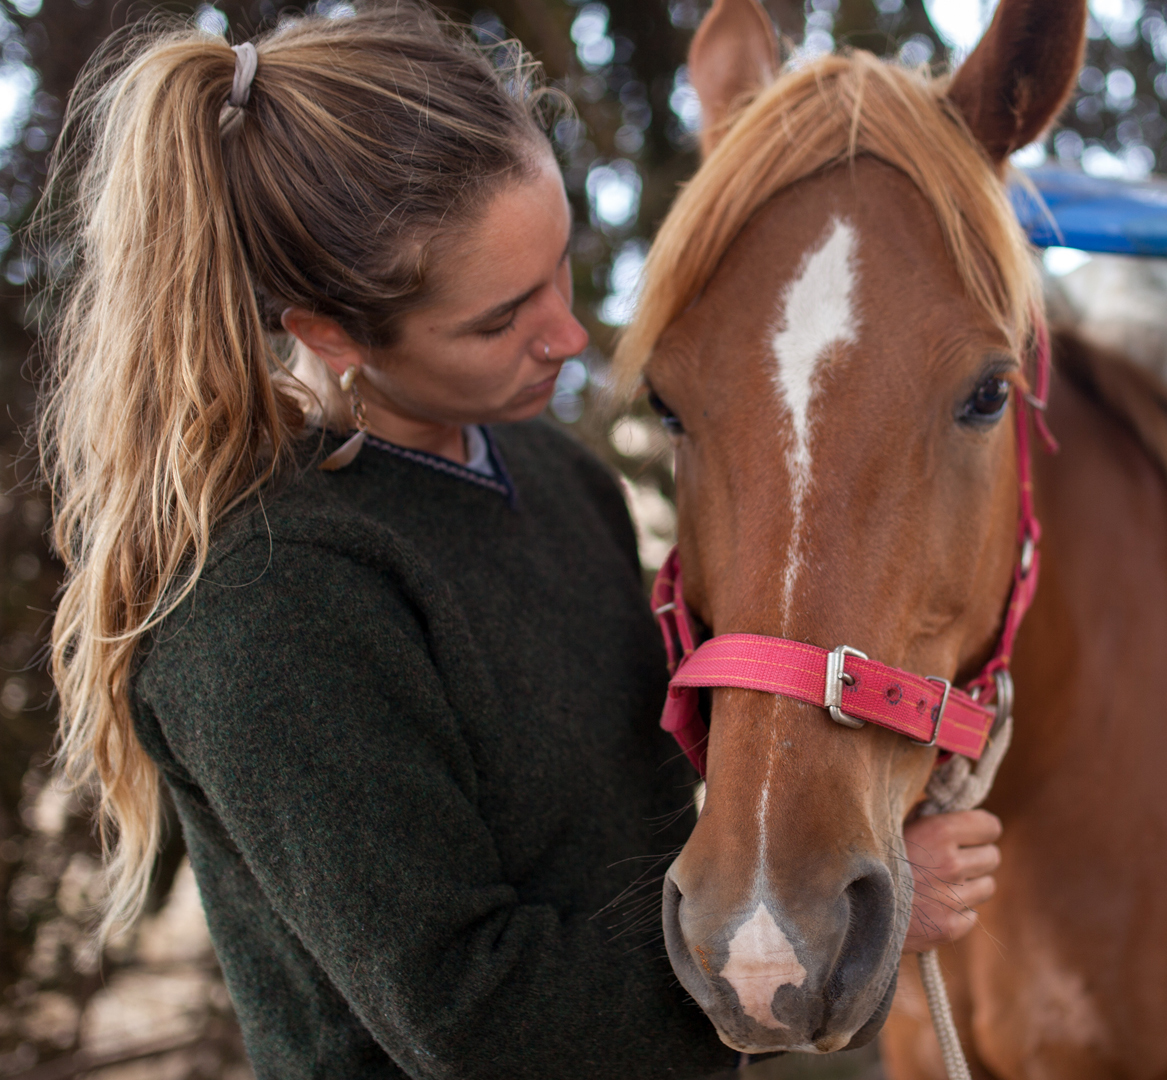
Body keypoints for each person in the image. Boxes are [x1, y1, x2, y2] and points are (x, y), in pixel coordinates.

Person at [38, 6, 999, 1076]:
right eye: (500, 319)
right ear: (332, 333)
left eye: (562, 266)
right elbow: (475, 1021)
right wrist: (809, 941)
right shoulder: (268, 599)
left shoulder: (550, 474)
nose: (570, 335)